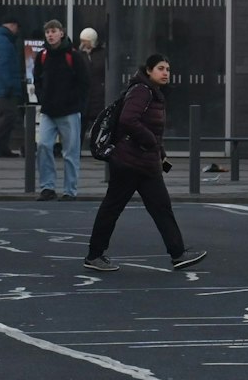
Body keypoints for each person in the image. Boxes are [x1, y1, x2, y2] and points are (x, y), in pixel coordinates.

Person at [83, 54, 204, 272]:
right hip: (128, 162)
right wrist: (149, 141)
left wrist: (160, 152)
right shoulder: (142, 91)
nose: (166, 72)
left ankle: (178, 253)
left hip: (146, 163)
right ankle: (94, 255)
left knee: (161, 208)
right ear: (149, 70)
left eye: (168, 68)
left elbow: (153, 130)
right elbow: (128, 120)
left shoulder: (154, 93)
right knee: (112, 208)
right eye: (160, 68)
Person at [33, 20, 87, 200]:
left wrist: (77, 103)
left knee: (71, 153)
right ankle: (47, 187)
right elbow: (37, 80)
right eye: (47, 31)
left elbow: (84, 82)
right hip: (49, 110)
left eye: (53, 31)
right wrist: (42, 98)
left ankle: (70, 190)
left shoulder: (74, 56)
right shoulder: (42, 56)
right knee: (43, 146)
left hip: (70, 111)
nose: (50, 35)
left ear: (61, 33)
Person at [0, 17, 25, 157]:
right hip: (7, 87)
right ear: (13, 25)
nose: (17, 31)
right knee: (9, 116)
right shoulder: (3, 41)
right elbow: (4, 65)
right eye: (17, 28)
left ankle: (2, 148)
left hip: (3, 86)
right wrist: (9, 85)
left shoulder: (0, 39)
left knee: (4, 116)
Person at [77, 28, 105, 122]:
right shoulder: (79, 55)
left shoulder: (102, 54)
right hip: (83, 98)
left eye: (85, 41)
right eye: (82, 41)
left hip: (98, 98)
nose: (83, 44)